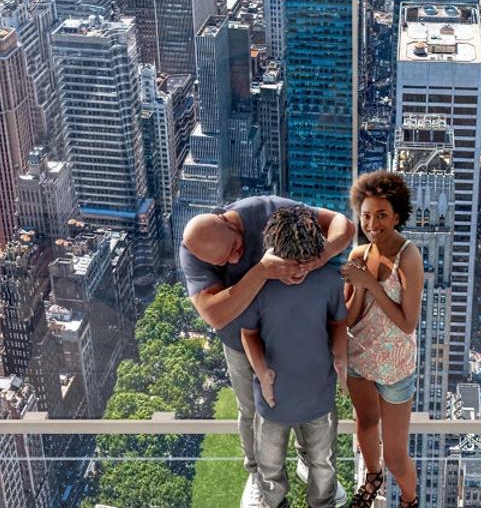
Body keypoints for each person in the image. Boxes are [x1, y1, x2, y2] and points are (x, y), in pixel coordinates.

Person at [180, 196, 354, 506]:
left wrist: (316, 258)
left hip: (301, 334)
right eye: (222, 264)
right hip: (242, 342)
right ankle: (258, 475)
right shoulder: (193, 252)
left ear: (226, 220)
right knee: (252, 412)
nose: (233, 261)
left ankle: (309, 463)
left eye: (235, 249)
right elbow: (215, 315)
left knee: (309, 401)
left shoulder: (267, 210)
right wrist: (261, 271)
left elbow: (344, 225)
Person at [241, 206, 348, 508]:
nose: (299, 270)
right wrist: (262, 373)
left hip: (319, 395)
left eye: (306, 262)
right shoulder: (259, 285)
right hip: (273, 401)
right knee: (270, 469)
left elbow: (338, 323)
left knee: (323, 465)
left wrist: (341, 358)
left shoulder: (328, 281)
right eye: (291, 262)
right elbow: (247, 334)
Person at [340, 171, 423, 508]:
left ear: (398, 215)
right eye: (366, 215)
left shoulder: (409, 257)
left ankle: (409, 500)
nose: (372, 224)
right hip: (359, 358)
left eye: (382, 215)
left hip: (396, 366)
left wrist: (372, 284)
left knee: (396, 456)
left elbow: (407, 323)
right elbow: (349, 318)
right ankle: (371, 479)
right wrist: (360, 284)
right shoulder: (358, 255)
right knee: (365, 426)